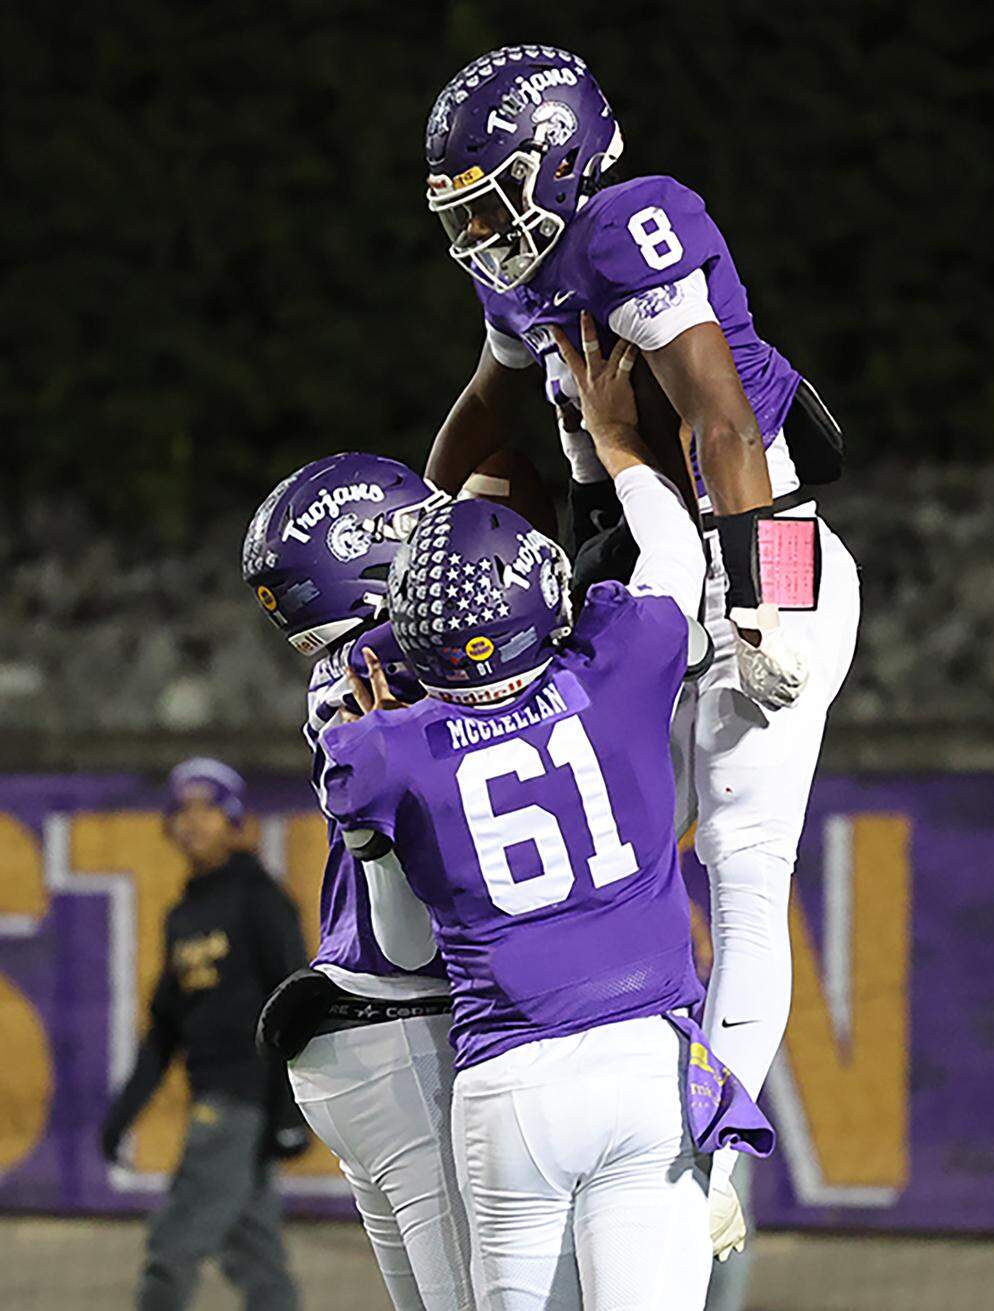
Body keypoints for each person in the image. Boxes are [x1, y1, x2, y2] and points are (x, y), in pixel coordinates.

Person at [419, 44, 861, 1253]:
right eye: (462, 211)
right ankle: (604, 1100)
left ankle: (719, 1153)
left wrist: (762, 605)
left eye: (492, 196)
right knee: (598, 845)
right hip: (648, 570)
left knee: (744, 863)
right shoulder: (520, 281)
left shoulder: (629, 223)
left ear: (560, 160)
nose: (481, 231)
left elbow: (720, 418)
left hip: (762, 553)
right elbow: (487, 421)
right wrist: (424, 538)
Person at [318, 321, 774, 1311]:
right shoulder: (616, 668)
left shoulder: (380, 748)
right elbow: (672, 556)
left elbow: (399, 936)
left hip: (510, 1082)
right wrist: (612, 439)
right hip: (649, 1058)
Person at [243, 453, 476, 1311]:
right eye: (416, 528)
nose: (442, 545)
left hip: (352, 1038)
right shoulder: (400, 651)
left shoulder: (349, 666)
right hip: (403, 1022)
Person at [100, 758, 306, 1311]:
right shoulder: (183, 915)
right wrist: (124, 1113)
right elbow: (165, 1028)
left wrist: (291, 1110)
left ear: (235, 820)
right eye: (181, 810)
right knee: (257, 1258)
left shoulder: (261, 899)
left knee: (173, 1245)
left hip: (239, 1102)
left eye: (207, 808)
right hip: (217, 1099)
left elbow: (296, 1000)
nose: (192, 822)